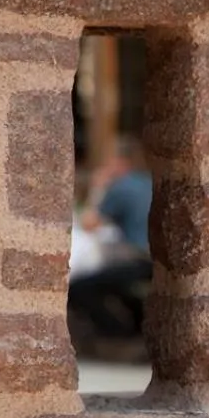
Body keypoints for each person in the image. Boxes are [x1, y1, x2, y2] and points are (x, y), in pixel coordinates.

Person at [67, 138, 154, 359]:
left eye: (110, 162)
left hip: (138, 260)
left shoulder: (122, 186)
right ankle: (137, 334)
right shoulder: (147, 182)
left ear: (121, 162)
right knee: (119, 286)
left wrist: (99, 186)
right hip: (152, 261)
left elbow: (89, 222)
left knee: (79, 288)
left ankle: (120, 336)